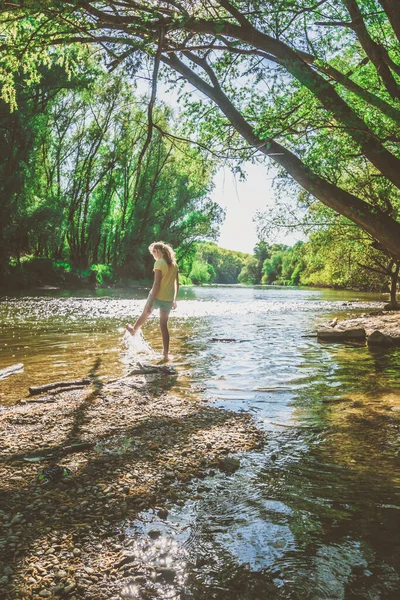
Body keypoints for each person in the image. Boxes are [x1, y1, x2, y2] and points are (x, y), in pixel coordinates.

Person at [126, 241, 179, 361]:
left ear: (158, 251)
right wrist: (174, 299)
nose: (153, 255)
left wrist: (150, 303)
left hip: (157, 296)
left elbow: (156, 284)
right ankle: (165, 354)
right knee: (164, 326)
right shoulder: (174, 265)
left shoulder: (159, 263)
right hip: (168, 298)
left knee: (145, 313)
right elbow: (177, 284)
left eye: (153, 252)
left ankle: (134, 330)